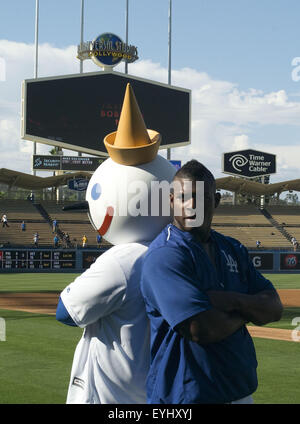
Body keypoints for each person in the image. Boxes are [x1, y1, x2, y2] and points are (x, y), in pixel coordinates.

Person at [56, 83, 176, 404]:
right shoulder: (176, 253)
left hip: (110, 396)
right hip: (152, 392)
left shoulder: (123, 259)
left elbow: (66, 311)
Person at [141, 159, 283, 404]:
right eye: (184, 196)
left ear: (215, 201)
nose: (192, 205)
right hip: (186, 397)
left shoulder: (232, 248)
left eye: (202, 197)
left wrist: (229, 300)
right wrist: (249, 309)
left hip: (239, 393)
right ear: (172, 200)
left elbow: (274, 308)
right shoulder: (165, 254)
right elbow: (200, 329)